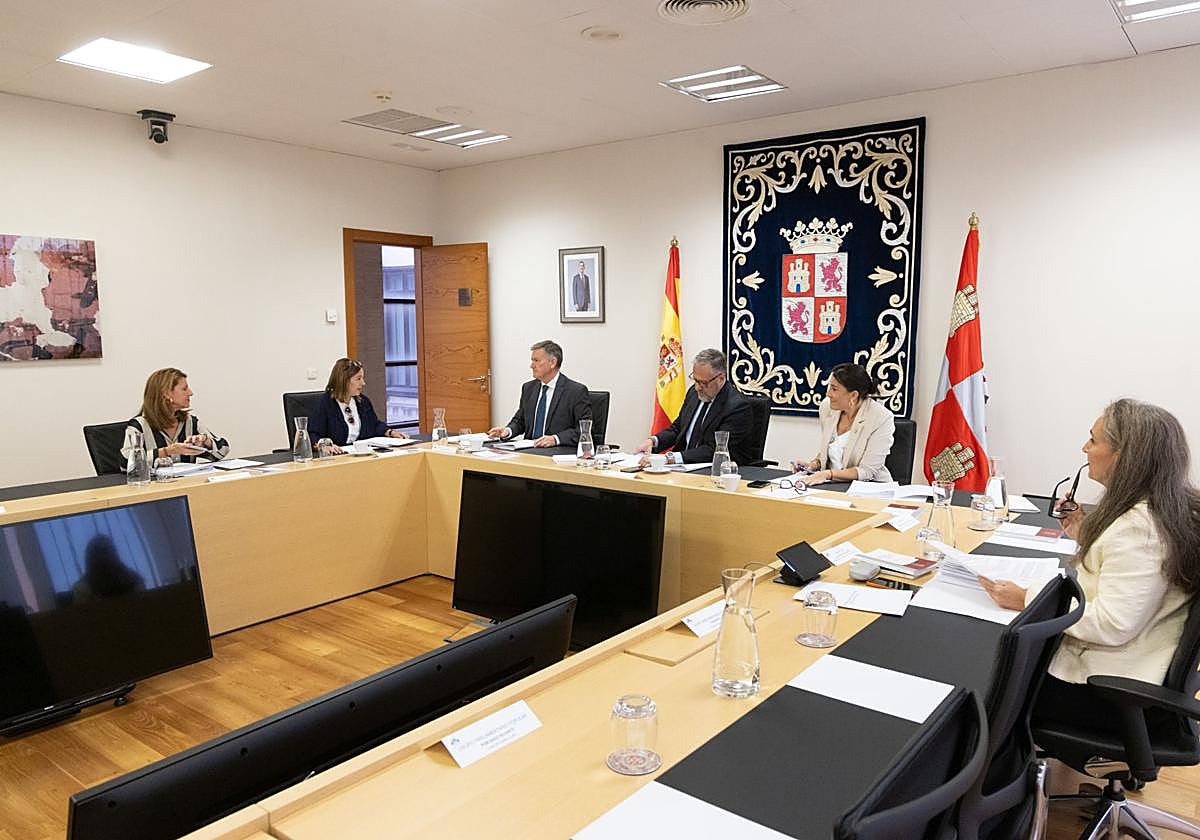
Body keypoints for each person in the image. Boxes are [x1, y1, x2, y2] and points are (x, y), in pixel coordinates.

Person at [979, 399, 1200, 730]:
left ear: (1123, 455)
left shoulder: (1140, 528)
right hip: (1131, 668)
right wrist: (1086, 536)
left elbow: (1112, 623)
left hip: (1105, 688)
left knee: (985, 682)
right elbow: (1130, 575)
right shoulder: (1161, 509)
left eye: (1094, 440)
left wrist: (1028, 597)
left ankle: (1002, 773)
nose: (1085, 448)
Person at [636, 348, 753, 466]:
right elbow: (678, 428)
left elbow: (715, 450)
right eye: (695, 380)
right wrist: (653, 441)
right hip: (681, 468)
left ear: (721, 379)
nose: (697, 387)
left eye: (703, 383)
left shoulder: (737, 407)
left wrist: (670, 458)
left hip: (714, 471)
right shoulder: (694, 393)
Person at [793, 363, 894, 484]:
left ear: (853, 395)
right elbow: (833, 450)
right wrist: (813, 465)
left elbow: (867, 471)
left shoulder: (881, 417)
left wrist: (827, 474)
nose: (828, 393)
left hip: (870, 489)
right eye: (829, 387)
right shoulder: (827, 407)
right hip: (834, 487)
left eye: (834, 389)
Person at [487, 340, 592, 447]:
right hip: (528, 450)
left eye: (536, 360)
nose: (531, 366)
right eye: (532, 361)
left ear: (553, 363)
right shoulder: (528, 388)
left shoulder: (575, 391)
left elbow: (585, 430)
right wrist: (507, 431)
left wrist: (555, 439)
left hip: (557, 452)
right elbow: (520, 421)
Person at [122, 368, 229, 465]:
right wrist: (167, 451)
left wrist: (206, 442)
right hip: (155, 485)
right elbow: (125, 463)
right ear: (166, 394)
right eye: (184, 389)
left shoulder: (190, 422)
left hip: (187, 484)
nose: (191, 393)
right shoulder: (139, 426)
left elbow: (223, 451)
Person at [308, 358, 407, 451]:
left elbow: (375, 425)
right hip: (337, 458)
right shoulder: (324, 404)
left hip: (362, 455)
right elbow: (312, 434)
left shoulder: (363, 402)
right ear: (344, 380)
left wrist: (391, 432)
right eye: (358, 379)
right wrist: (324, 445)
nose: (363, 383)